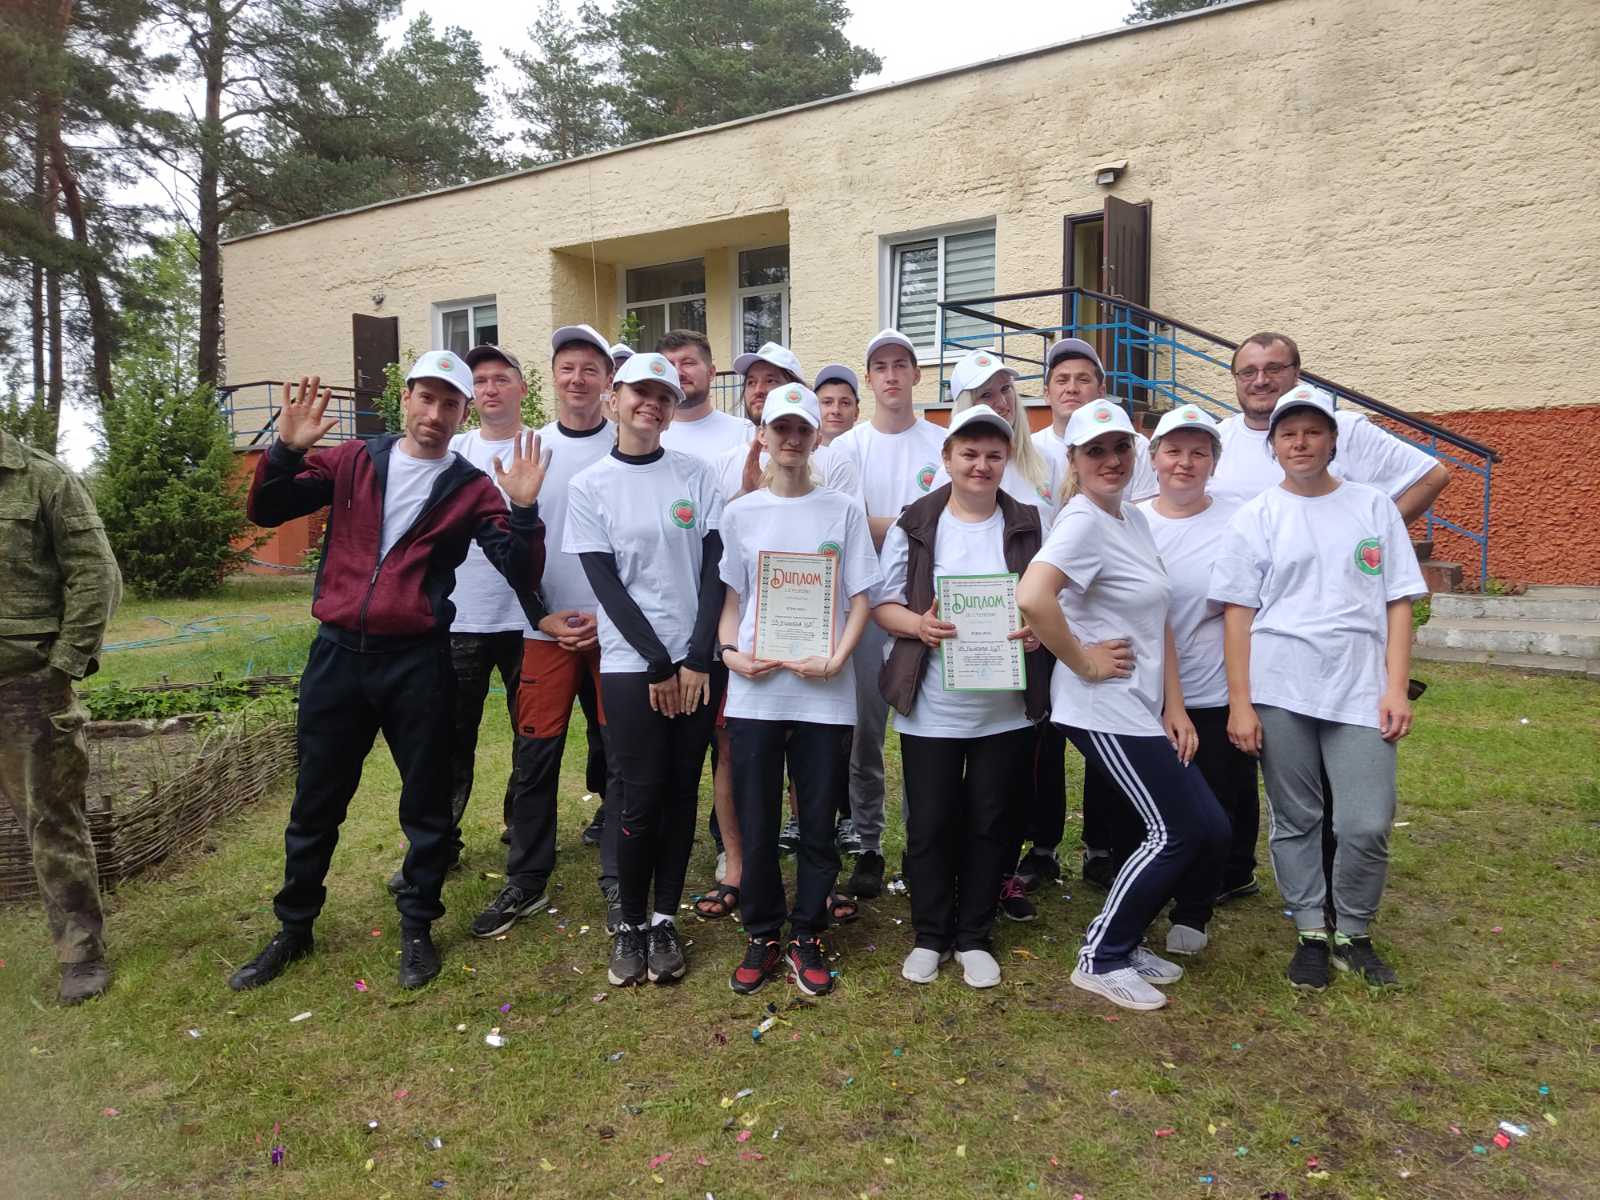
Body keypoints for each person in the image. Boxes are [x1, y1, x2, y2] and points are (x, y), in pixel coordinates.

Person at [232, 356, 549, 991]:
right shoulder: (354, 459)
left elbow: (520, 568)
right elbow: (267, 510)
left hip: (419, 661)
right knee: (316, 800)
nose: (435, 414)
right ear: (404, 399)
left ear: (463, 413)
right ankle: (294, 927)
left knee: (427, 805)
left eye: (449, 404)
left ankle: (417, 926)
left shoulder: (470, 487)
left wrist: (522, 509)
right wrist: (285, 453)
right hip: (338, 656)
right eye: (426, 398)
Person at [1210, 386, 1425, 991]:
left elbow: (1399, 601)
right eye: (1288, 434)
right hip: (1282, 688)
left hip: (1359, 688)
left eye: (1312, 432)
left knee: (1366, 821)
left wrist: (1396, 688)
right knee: (1297, 817)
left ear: (1333, 441)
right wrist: (1241, 702)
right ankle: (1310, 930)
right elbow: (1238, 614)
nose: (1300, 443)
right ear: (1273, 446)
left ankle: (1354, 931)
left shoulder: (1373, 506)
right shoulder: (1258, 515)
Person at [1017, 398, 1229, 1012]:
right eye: (1095, 451)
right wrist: (1082, 660)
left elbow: (1158, 614)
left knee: (1208, 827)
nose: (1110, 460)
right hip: (1101, 707)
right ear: (1074, 460)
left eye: (1119, 448)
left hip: (1143, 704)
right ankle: (1101, 957)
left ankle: (1126, 939)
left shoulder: (1130, 517)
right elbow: (1033, 597)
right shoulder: (1082, 521)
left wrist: (1175, 706)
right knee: (1176, 830)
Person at [875, 404, 1049, 989]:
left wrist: (1037, 632)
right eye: (969, 454)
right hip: (933, 706)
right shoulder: (916, 522)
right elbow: (883, 604)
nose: (981, 465)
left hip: (1004, 709)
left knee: (991, 822)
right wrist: (918, 626)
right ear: (947, 458)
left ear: (1007, 460)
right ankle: (930, 934)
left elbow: (1053, 601)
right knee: (930, 823)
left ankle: (974, 934)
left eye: (993, 455)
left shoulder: (1030, 522)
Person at [565, 352, 724, 987]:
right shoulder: (590, 485)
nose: (651, 405)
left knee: (683, 791)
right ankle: (629, 922)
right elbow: (605, 584)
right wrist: (659, 662)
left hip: (696, 664)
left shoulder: (696, 475)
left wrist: (697, 656)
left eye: (663, 396)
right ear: (614, 400)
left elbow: (714, 571)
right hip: (635, 665)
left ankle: (663, 919)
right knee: (638, 793)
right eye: (639, 393)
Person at [718, 383, 880, 995]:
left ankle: (808, 930)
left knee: (817, 820)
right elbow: (732, 602)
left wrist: (838, 658)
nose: (790, 438)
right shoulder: (740, 514)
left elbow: (861, 599)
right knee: (757, 819)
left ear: (816, 438)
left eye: (801, 429)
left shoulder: (842, 510)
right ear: (762, 435)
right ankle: (762, 931)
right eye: (779, 427)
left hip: (824, 693)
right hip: (756, 692)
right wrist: (730, 654)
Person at [469, 325, 616, 939]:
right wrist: (539, 615)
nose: (578, 379)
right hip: (543, 631)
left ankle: (620, 875)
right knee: (535, 756)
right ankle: (526, 878)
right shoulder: (529, 450)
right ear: (551, 378)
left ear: (608, 380)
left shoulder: (628, 445)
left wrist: (613, 619)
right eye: (567, 368)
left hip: (618, 634)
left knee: (620, 756)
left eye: (590, 369)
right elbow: (512, 552)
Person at [379, 341, 532, 897]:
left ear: (520, 388)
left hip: (527, 620)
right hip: (460, 617)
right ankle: (438, 843)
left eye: (501, 378)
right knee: (447, 738)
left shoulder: (541, 447)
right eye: (480, 381)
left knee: (530, 736)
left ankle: (523, 831)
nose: (490, 388)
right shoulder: (453, 448)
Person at [827, 328, 951, 899]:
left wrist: (887, 521)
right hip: (863, 606)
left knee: (931, 735)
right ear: (870, 378)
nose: (892, 375)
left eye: (902, 364)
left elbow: (952, 519)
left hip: (928, 607)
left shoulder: (942, 443)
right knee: (865, 735)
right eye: (881, 367)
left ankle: (927, 845)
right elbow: (848, 525)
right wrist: (913, 519)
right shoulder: (847, 448)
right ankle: (868, 843)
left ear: (917, 374)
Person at [0, 426, 122, 1004]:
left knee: (51, 820)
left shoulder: (42, 478)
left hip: (25, 684)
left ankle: (80, 952)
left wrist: (63, 666)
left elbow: (95, 572)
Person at [946, 348, 1066, 922]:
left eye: (1005, 390)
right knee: (960, 771)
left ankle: (1007, 871)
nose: (999, 402)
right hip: (963, 649)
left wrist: (1043, 624)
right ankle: (954, 871)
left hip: (1027, 640)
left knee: (1021, 765)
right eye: (984, 393)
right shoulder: (952, 467)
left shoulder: (1043, 462)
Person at [1135, 405, 1260, 938]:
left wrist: (1242, 699)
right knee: (1149, 804)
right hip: (1143, 689)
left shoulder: (1242, 516)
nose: (1184, 462)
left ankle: (1198, 905)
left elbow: (1247, 606)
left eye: (1198, 452)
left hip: (1213, 687)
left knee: (1217, 801)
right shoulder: (1131, 518)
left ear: (1214, 461)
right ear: (1153, 458)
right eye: (1173, 451)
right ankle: (1149, 892)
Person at [656, 330, 749, 902]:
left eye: (688, 362)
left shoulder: (741, 435)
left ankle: (726, 843)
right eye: (668, 363)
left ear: (711, 372)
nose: (678, 372)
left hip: (731, 609)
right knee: (680, 743)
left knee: (730, 742)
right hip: (675, 618)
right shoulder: (653, 430)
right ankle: (666, 839)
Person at [1211, 332, 1450, 519]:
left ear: (1296, 373)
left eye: (1274, 369)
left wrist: (1377, 537)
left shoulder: (1345, 429)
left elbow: (1431, 476)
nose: (1261, 380)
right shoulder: (1214, 439)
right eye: (1248, 372)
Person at [1031, 338, 1157, 504]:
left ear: (1101, 391)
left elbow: (1142, 512)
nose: (1072, 389)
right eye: (1062, 380)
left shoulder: (1137, 446)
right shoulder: (1029, 451)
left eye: (1083, 380)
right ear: (1046, 394)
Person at [813, 364, 861, 446]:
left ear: (856, 412)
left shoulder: (868, 451)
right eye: (827, 402)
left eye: (845, 403)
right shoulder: (799, 452)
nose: (836, 410)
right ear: (813, 409)